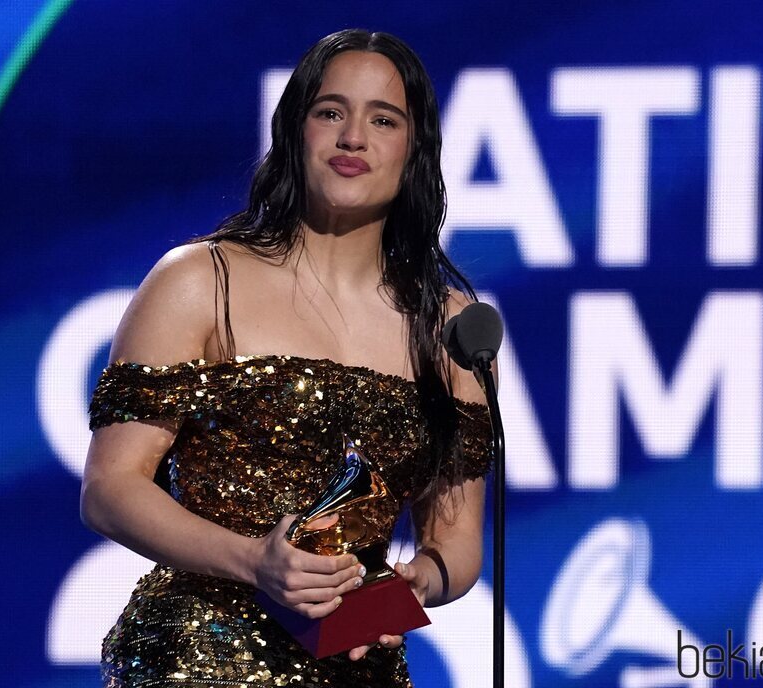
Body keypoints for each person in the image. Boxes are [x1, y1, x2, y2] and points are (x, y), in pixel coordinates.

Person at [81, 28, 495, 687]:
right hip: (198, 657)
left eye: (382, 119)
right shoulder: (200, 281)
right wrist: (253, 561)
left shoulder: (448, 328)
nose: (352, 137)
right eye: (331, 112)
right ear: (294, 130)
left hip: (356, 659)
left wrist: (418, 583)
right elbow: (110, 488)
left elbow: (457, 541)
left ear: (414, 151)